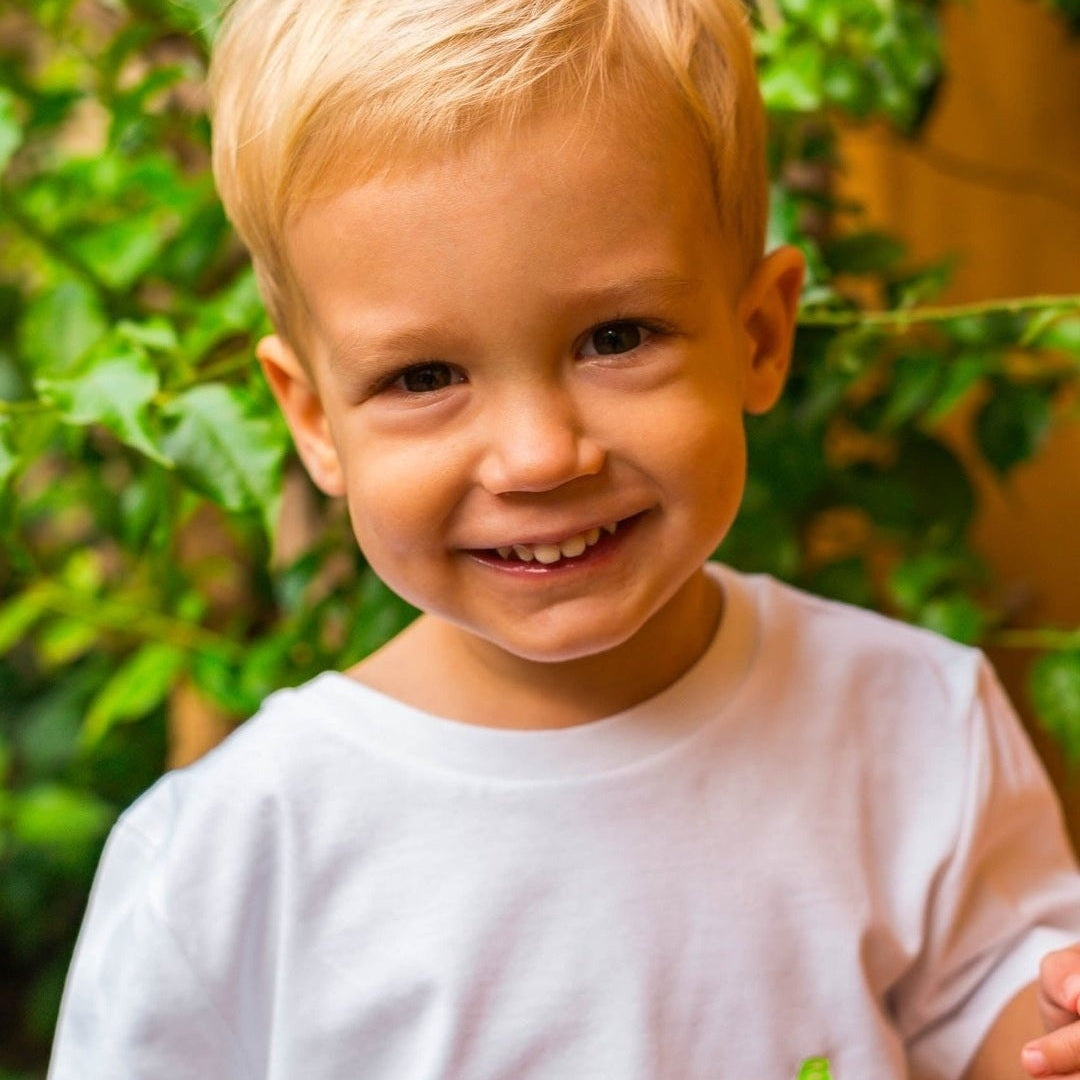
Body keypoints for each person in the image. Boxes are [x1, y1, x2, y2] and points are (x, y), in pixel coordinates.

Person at [46, 0, 1080, 1077]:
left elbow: (1007, 1029)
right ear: (313, 421)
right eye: (424, 376)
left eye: (615, 338)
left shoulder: (915, 728)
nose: (539, 458)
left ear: (760, 336)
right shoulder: (227, 864)